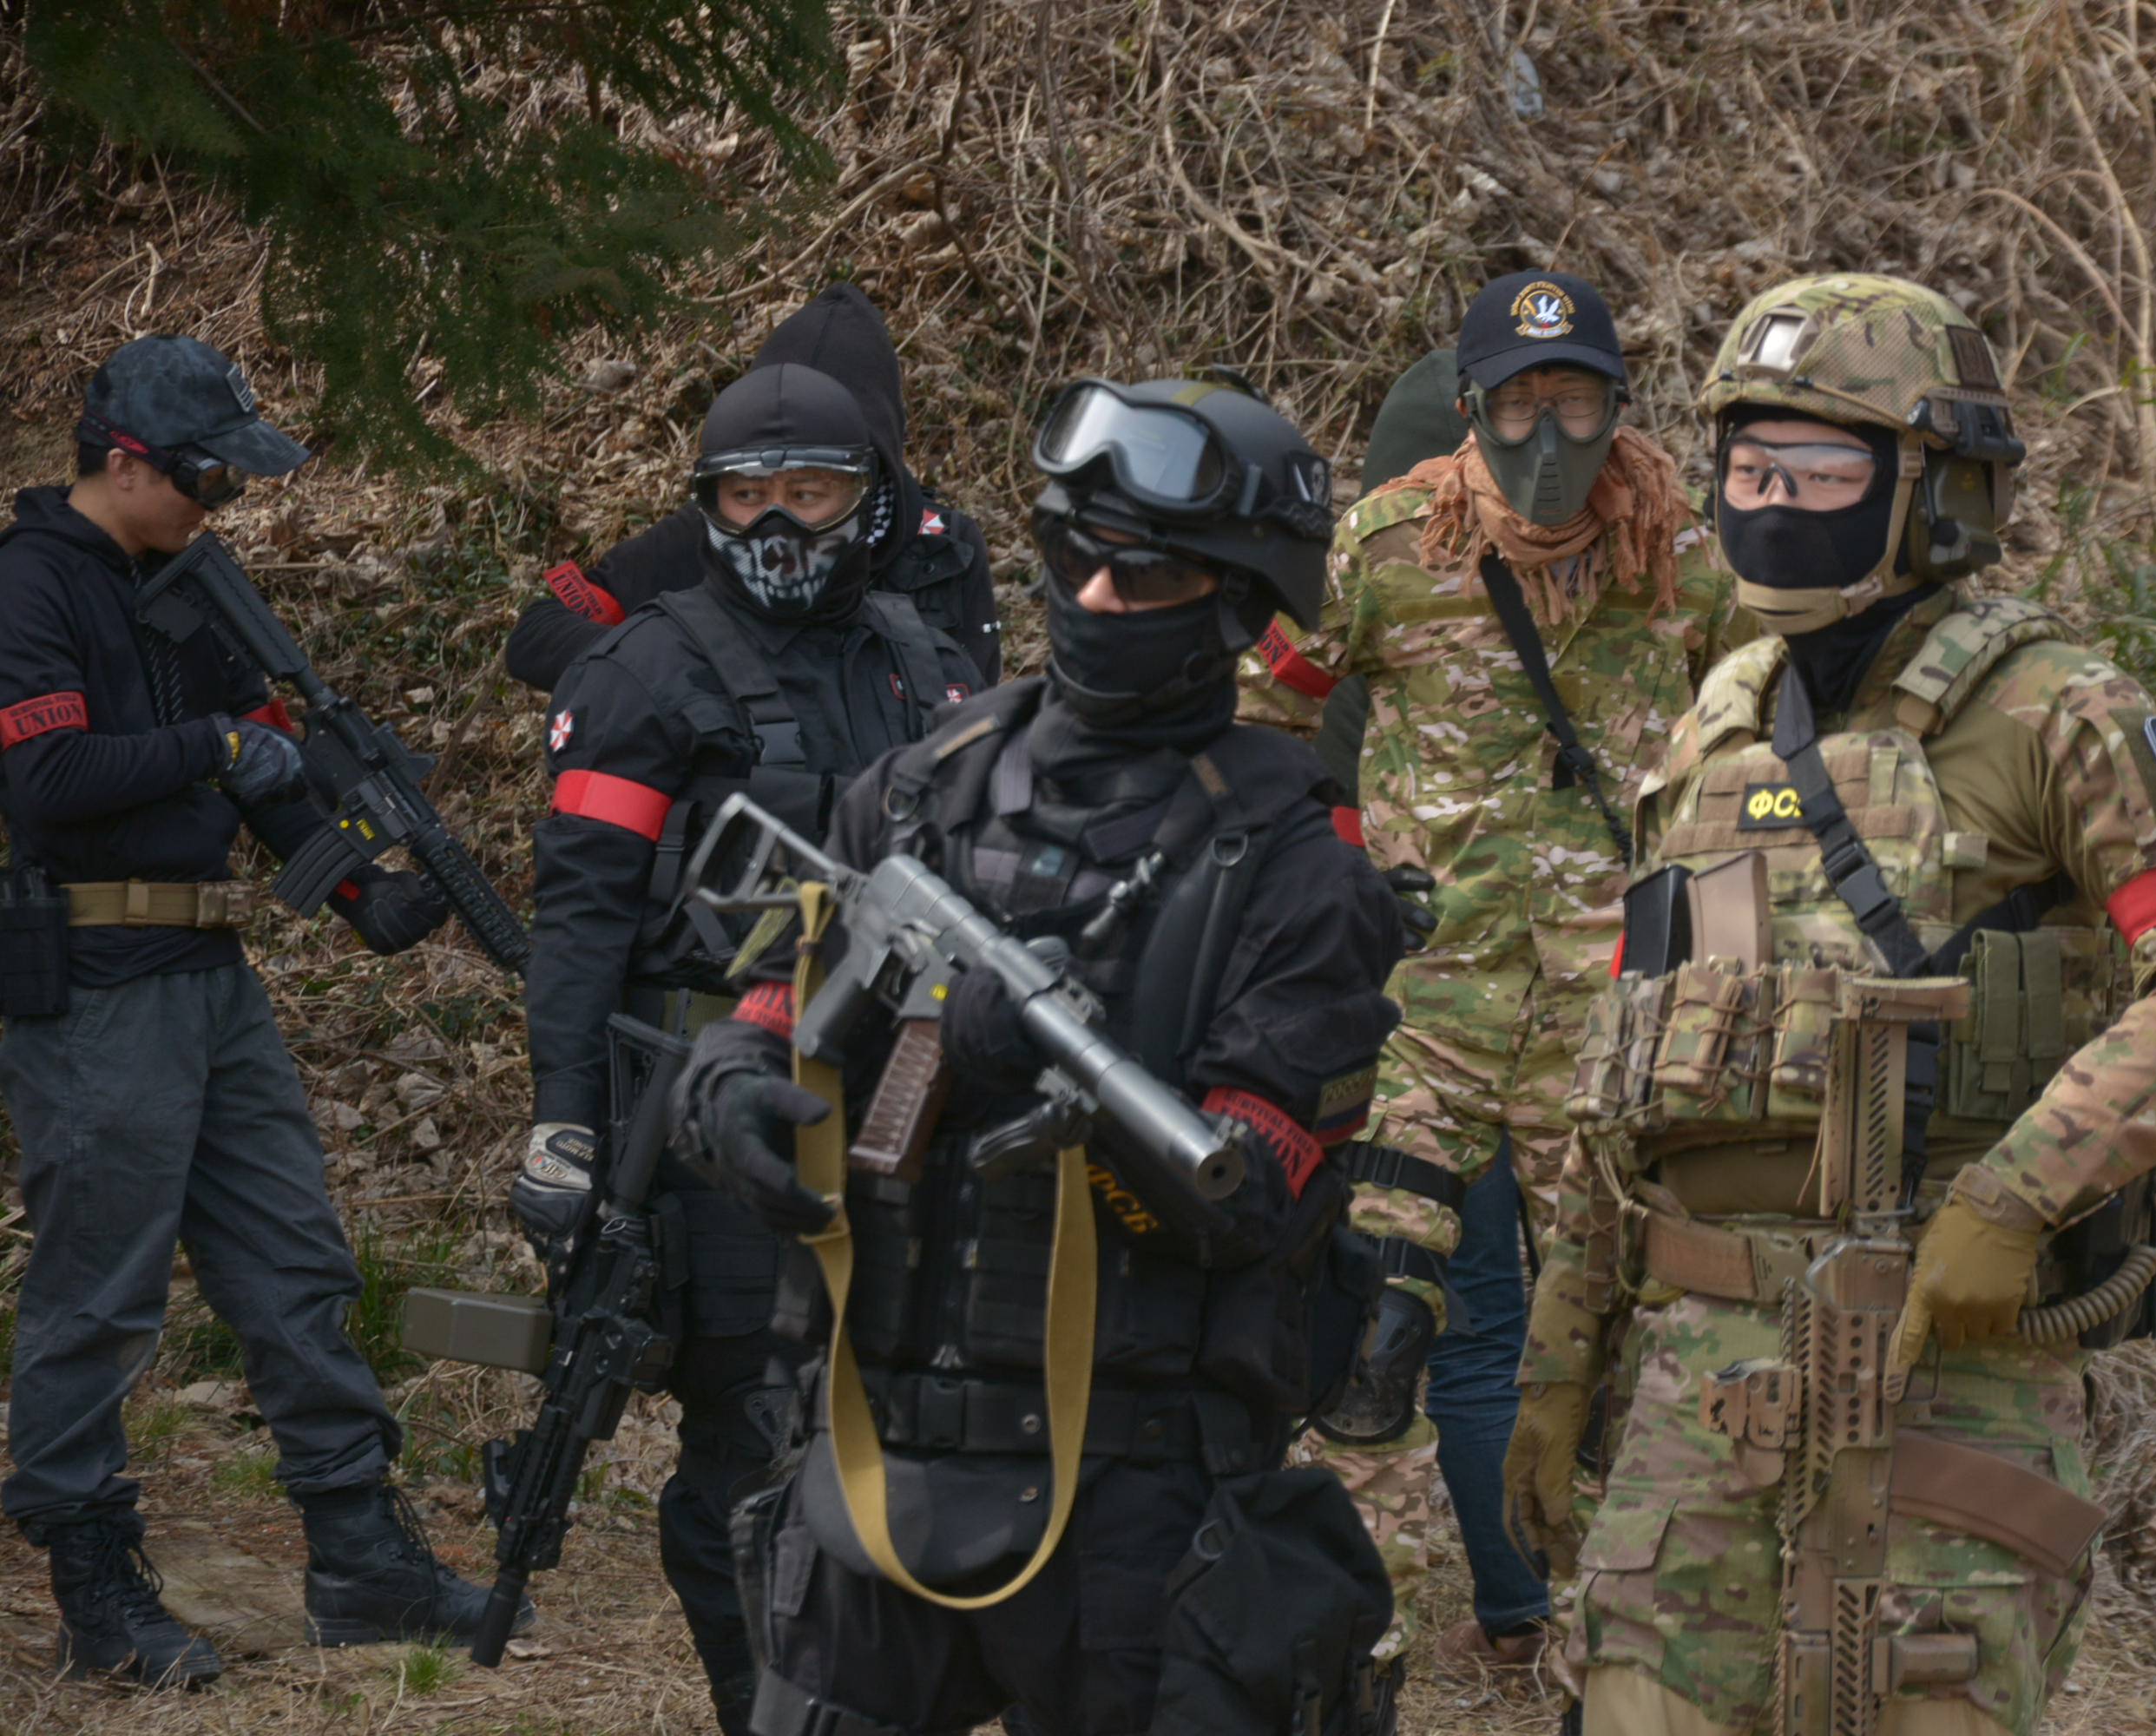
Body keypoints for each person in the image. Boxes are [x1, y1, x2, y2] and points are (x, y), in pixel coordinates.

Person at [1501, 273, 2156, 1735]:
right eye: (1750, 468)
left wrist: (2014, 1197)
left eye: (1819, 471)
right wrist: (1560, 1365)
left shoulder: (2056, 710)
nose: (1772, 504)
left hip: (1946, 1356)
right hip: (1699, 1386)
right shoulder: (1709, 729)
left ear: (1937, 494)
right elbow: (1628, 1082)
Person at [668, 372, 1403, 1736]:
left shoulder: (1297, 867)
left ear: (1240, 605)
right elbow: (784, 987)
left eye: (1150, 575)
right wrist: (732, 1080)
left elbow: (1252, 1196)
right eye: (1075, 556)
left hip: (1136, 1497)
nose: (1099, 599)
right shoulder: (925, 784)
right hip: (873, 1448)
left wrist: (1054, 1081)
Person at [0, 335, 523, 1686]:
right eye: (209, 479)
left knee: (295, 1263)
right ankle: (95, 1590)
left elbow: (270, 765)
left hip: (209, 977)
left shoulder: (183, 585)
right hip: (94, 986)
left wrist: (358, 890)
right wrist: (218, 745)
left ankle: (360, 1555)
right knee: (99, 1298)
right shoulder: (32, 583)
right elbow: (48, 777)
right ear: (128, 463)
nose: (221, 504)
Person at [1239, 274, 1739, 1676]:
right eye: (1518, 403)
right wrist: (1311, 890)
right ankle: (1431, 1631)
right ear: (1469, 410)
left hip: (1618, 1024)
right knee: (1386, 1324)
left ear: (1618, 407)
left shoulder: (1678, 560)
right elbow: (1263, 709)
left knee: (1635, 1344)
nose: (1548, 436)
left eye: (1576, 401)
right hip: (1426, 1016)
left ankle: (1625, 1644)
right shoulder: (1391, 547)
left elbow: (1774, 740)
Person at [517, 345, 986, 1733]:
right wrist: (564, 1123)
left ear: (870, 500)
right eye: (746, 495)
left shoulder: (930, 664)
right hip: (715, 1115)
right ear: (707, 505)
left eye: (811, 492)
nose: (778, 522)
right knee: (748, 1436)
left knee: (912, 1417)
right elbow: (581, 916)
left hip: (911, 1106)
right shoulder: (642, 670)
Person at [505, 284, 999, 695]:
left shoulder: (944, 549)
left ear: (870, 467)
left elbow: (976, 711)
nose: (778, 521)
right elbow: (540, 632)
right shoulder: (724, 531)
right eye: (755, 487)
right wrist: (668, 669)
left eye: (810, 489)